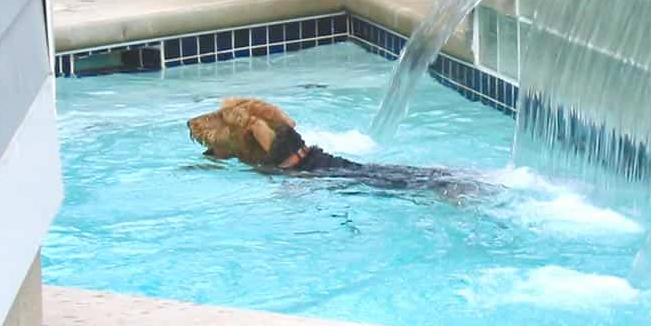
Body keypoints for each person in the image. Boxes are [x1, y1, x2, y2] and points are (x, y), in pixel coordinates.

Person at [186, 97, 471, 195]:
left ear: (253, 140)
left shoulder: (298, 186)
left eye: (222, 121)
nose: (200, 123)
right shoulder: (302, 162)